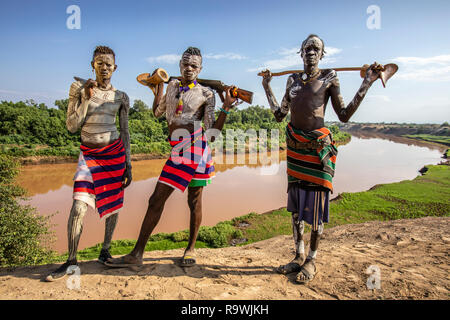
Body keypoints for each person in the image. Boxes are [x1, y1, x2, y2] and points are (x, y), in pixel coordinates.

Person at [261, 34, 382, 284]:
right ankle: (298, 255)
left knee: (316, 208)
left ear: (322, 54)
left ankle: (312, 260)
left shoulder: (329, 77)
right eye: (307, 48)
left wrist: (367, 82)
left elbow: (345, 115)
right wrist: (267, 85)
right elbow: (278, 114)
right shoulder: (292, 81)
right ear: (300, 53)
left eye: (316, 49)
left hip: (317, 149)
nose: (311, 52)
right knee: (295, 209)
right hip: (295, 149)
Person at [106, 47, 236, 268]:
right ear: (180, 65)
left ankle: (184, 249)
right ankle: (138, 254)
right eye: (185, 64)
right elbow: (158, 112)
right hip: (177, 149)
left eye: (194, 65)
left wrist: (225, 107)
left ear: (200, 68)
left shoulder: (206, 94)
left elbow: (212, 133)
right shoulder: (173, 85)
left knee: (184, 200)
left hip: (194, 148)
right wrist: (156, 88)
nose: (189, 68)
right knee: (162, 200)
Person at [46, 46, 132, 281]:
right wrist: (86, 96)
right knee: (78, 207)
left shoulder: (121, 97)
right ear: (92, 65)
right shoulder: (78, 89)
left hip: (114, 154)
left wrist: (129, 164)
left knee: (113, 207)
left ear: (115, 68)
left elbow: (125, 132)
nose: (104, 68)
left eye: (109, 64)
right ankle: (71, 260)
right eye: (100, 63)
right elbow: (72, 126)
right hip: (89, 156)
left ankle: (105, 252)